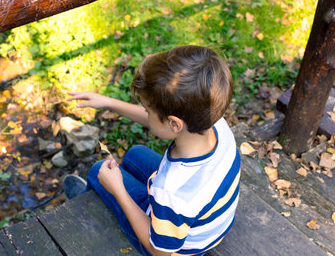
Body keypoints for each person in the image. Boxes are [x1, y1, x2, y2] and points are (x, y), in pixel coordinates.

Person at [63, 45, 240, 256]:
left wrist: (118, 190)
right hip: (207, 218)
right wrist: (109, 103)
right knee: (135, 154)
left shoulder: (172, 192)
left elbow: (158, 251)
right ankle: (107, 189)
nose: (146, 114)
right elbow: (161, 120)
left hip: (174, 246)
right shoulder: (213, 121)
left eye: (148, 111)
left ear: (174, 124)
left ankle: (88, 201)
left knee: (98, 171)